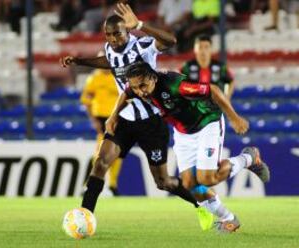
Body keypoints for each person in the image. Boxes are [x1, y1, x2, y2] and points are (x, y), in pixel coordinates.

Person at [61, 3, 214, 230]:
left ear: (128, 31)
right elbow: (109, 62)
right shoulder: (110, 49)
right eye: (109, 35)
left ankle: (200, 207)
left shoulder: (142, 46)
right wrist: (80, 61)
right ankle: (85, 217)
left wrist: (142, 25)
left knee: (163, 182)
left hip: (152, 121)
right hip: (124, 119)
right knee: (100, 163)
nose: (113, 39)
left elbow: (170, 41)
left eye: (118, 34)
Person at [107, 62, 271, 233]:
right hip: (183, 132)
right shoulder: (137, 84)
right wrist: (113, 117)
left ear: (153, 77)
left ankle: (249, 158)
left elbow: (213, 90)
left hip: (207, 122)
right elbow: (126, 93)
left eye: (143, 86)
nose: (140, 91)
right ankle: (229, 219)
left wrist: (234, 118)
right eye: (136, 88)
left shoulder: (176, 85)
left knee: (207, 178)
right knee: (190, 184)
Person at [80, 66, 122, 196]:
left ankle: (112, 184)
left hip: (118, 118)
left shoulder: (118, 77)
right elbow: (86, 100)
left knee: (118, 153)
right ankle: (90, 183)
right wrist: (93, 120)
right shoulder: (94, 78)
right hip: (102, 118)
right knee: (100, 153)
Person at [180, 34, 235, 99]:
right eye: (200, 47)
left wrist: (226, 98)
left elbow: (231, 81)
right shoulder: (187, 67)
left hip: (215, 106)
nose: (203, 51)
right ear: (195, 49)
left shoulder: (221, 67)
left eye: (206, 47)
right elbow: (178, 84)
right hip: (194, 105)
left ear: (211, 49)